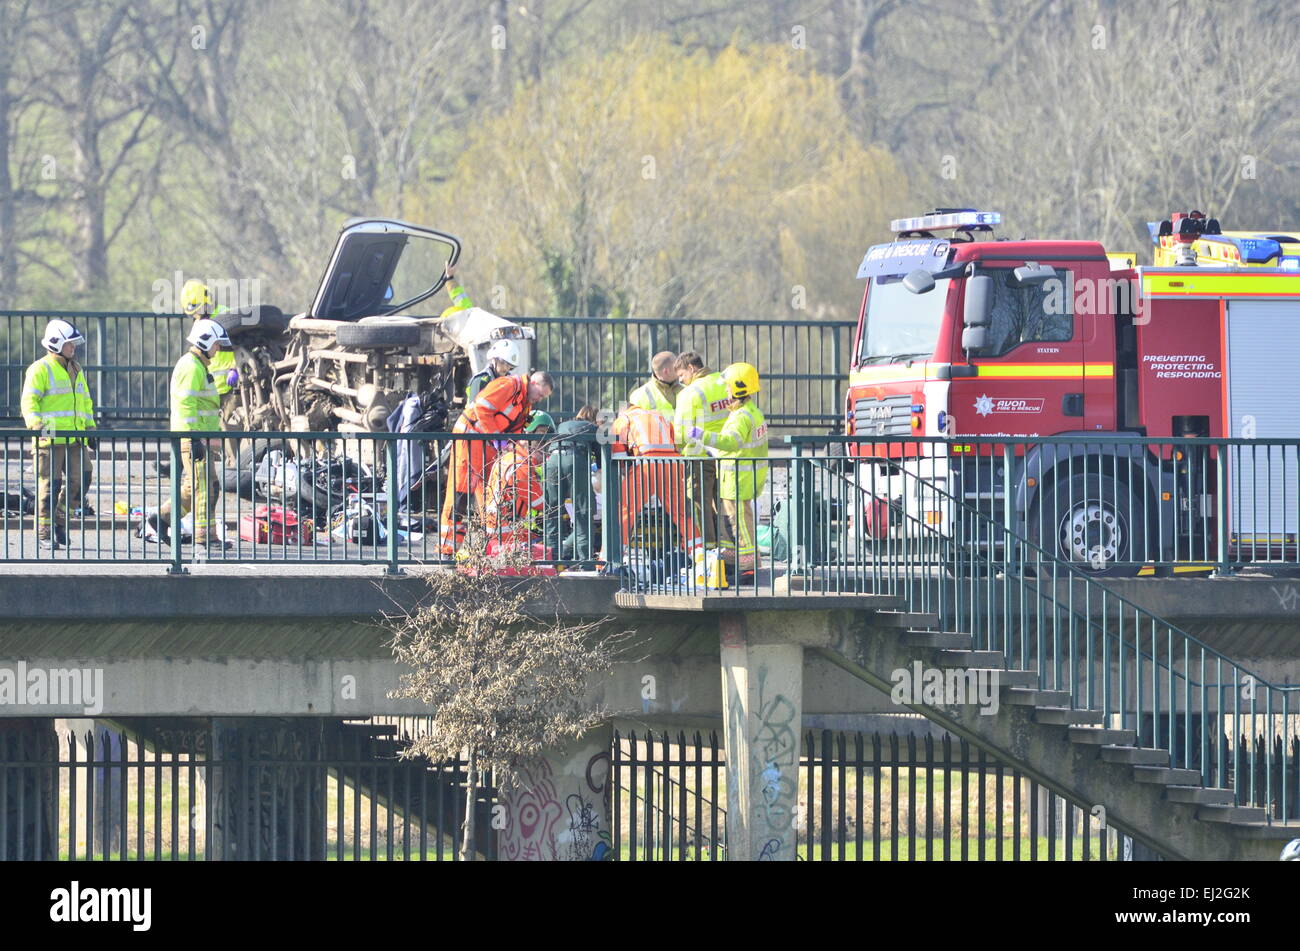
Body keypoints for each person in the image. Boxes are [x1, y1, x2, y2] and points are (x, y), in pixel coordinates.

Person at [440, 370, 554, 554]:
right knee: (460, 494)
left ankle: (486, 547)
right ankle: (446, 550)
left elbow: (514, 430)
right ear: (534, 383)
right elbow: (482, 407)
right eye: (540, 394)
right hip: (470, 438)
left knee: (488, 495)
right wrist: (496, 437)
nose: (539, 399)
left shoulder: (524, 402)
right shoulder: (509, 385)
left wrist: (507, 445)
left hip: (486, 443)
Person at [147, 319, 233, 550]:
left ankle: (162, 518)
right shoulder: (191, 366)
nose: (218, 349)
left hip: (199, 438)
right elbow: (186, 405)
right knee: (205, 488)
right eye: (216, 344)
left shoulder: (198, 365)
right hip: (193, 438)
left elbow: (203, 403)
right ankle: (205, 538)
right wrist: (193, 437)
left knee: (192, 487)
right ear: (204, 342)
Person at [686, 362, 768, 578]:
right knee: (731, 523)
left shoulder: (742, 416)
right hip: (738, 478)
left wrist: (701, 435)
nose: (726, 391)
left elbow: (731, 442)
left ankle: (748, 568)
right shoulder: (749, 412)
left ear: (739, 388)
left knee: (738, 523)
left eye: (729, 387)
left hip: (737, 479)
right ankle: (733, 562)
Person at [21, 320, 96, 550]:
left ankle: (60, 522)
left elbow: (85, 401)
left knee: (82, 479)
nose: (73, 347)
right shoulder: (40, 368)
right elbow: (29, 401)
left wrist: (91, 428)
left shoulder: (75, 368)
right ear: (56, 344)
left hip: (75, 438)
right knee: (49, 486)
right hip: (50, 438)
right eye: (69, 344)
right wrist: (39, 427)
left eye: (73, 344)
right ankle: (44, 532)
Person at [612, 405, 701, 555]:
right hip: (673, 464)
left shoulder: (623, 420)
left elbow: (620, 458)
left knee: (626, 511)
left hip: (646, 465)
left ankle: (613, 555)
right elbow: (674, 444)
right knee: (681, 513)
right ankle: (699, 555)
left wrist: (626, 475)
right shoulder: (660, 417)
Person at [674, 351, 733, 553]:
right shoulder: (725, 381)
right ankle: (731, 550)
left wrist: (677, 451)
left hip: (699, 456)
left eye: (682, 375)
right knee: (727, 502)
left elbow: (681, 433)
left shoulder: (690, 393)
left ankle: (708, 552)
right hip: (727, 454)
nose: (681, 381)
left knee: (701, 505)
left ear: (691, 368)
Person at [542, 405, 599, 563]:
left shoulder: (563, 425)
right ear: (594, 419)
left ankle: (550, 560)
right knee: (583, 512)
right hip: (575, 459)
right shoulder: (593, 428)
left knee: (552, 511)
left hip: (552, 460)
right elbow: (603, 461)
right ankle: (585, 562)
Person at [467, 338, 522, 404]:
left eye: (509, 366)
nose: (505, 368)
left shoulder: (510, 383)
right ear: (493, 360)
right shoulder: (480, 381)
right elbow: (473, 410)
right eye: (502, 363)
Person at [628, 351, 681, 416]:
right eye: (676, 366)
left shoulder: (686, 389)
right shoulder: (638, 396)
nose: (680, 368)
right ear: (666, 371)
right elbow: (634, 423)